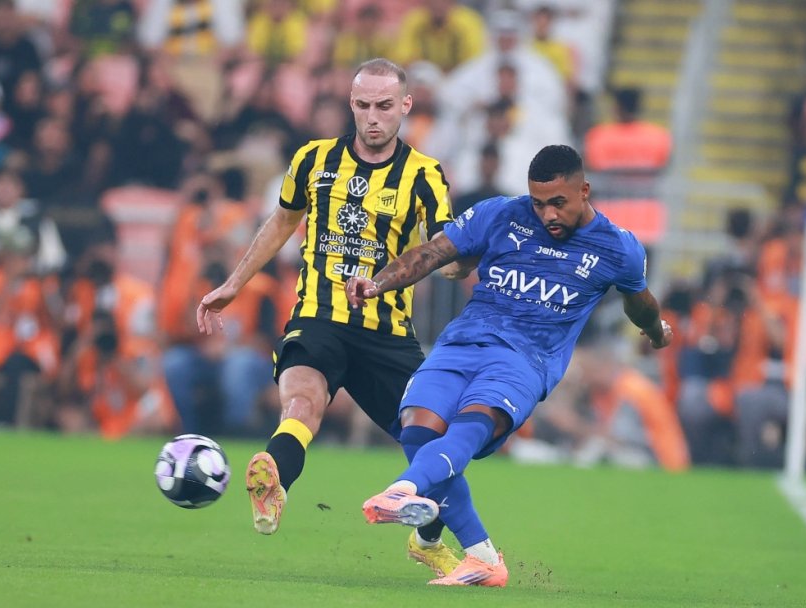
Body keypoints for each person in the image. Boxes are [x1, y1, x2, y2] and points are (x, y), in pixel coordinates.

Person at [346, 144, 672, 587]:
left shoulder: (617, 247)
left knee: (468, 427)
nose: (548, 214)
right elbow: (433, 253)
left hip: (525, 358)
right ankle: (479, 557)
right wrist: (377, 283)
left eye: (558, 202)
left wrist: (655, 331)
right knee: (417, 432)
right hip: (463, 341)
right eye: (539, 203)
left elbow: (640, 302)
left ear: (584, 190)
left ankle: (403, 489)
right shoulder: (501, 213)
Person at [196, 58, 470, 577]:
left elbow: (443, 246)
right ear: (351, 104)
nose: (373, 117)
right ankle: (274, 482)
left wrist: (460, 266)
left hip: (387, 332)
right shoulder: (313, 159)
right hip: (318, 317)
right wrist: (234, 284)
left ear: (406, 106)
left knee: (435, 441)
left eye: (384, 106)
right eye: (363, 105)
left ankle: (427, 538)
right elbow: (282, 221)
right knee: (302, 404)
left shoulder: (425, 174)